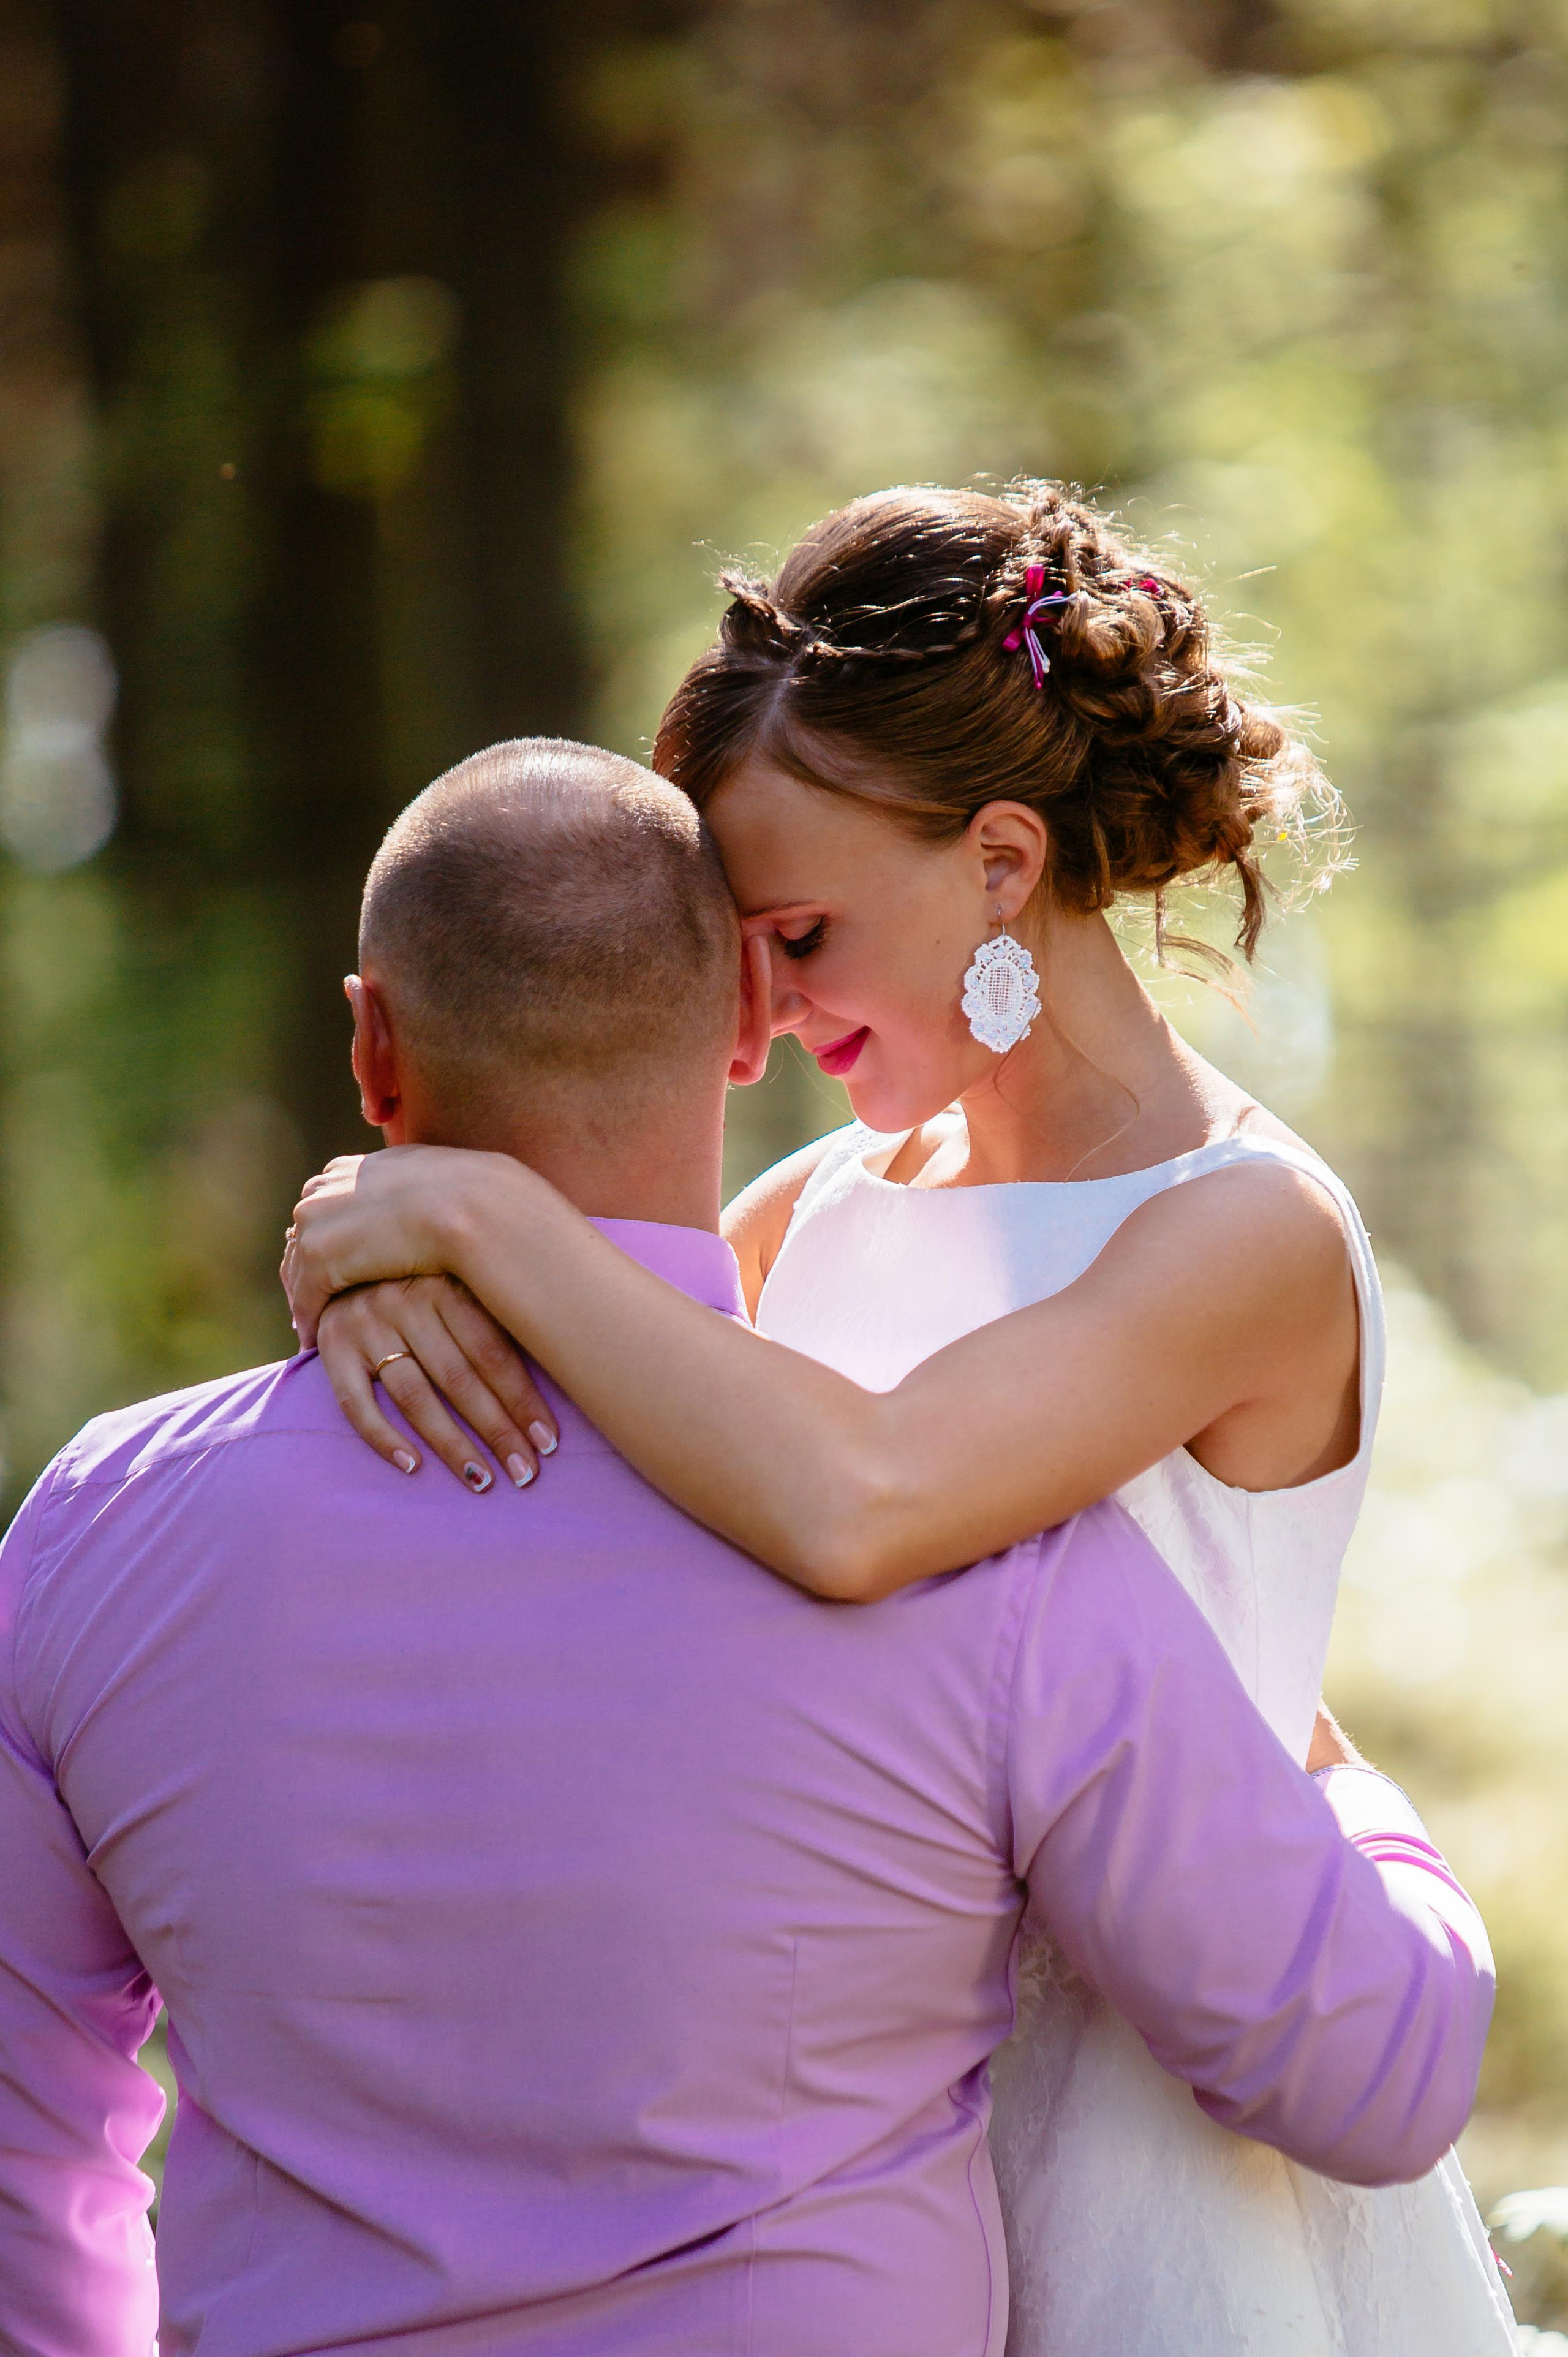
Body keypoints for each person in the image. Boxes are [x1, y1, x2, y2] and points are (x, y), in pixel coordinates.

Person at [0, 743, 1496, 2357]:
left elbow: (20, 2132)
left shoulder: (98, 1528)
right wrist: (1353, 1797)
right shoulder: (994, 1563)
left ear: (372, 1048)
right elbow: (1376, 2075)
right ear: (739, 1026)